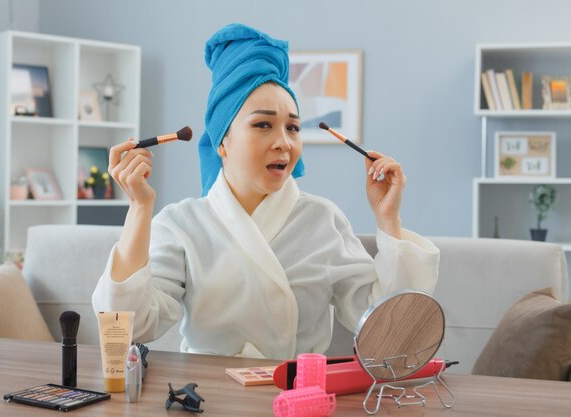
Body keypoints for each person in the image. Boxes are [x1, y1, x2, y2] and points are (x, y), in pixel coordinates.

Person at [92, 23, 439, 360]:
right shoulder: (182, 224)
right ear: (222, 142)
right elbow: (127, 329)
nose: (284, 143)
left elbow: (393, 333)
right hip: (206, 398)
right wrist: (140, 208)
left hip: (297, 396)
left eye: (292, 127)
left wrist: (388, 219)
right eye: (262, 125)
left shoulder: (323, 220)